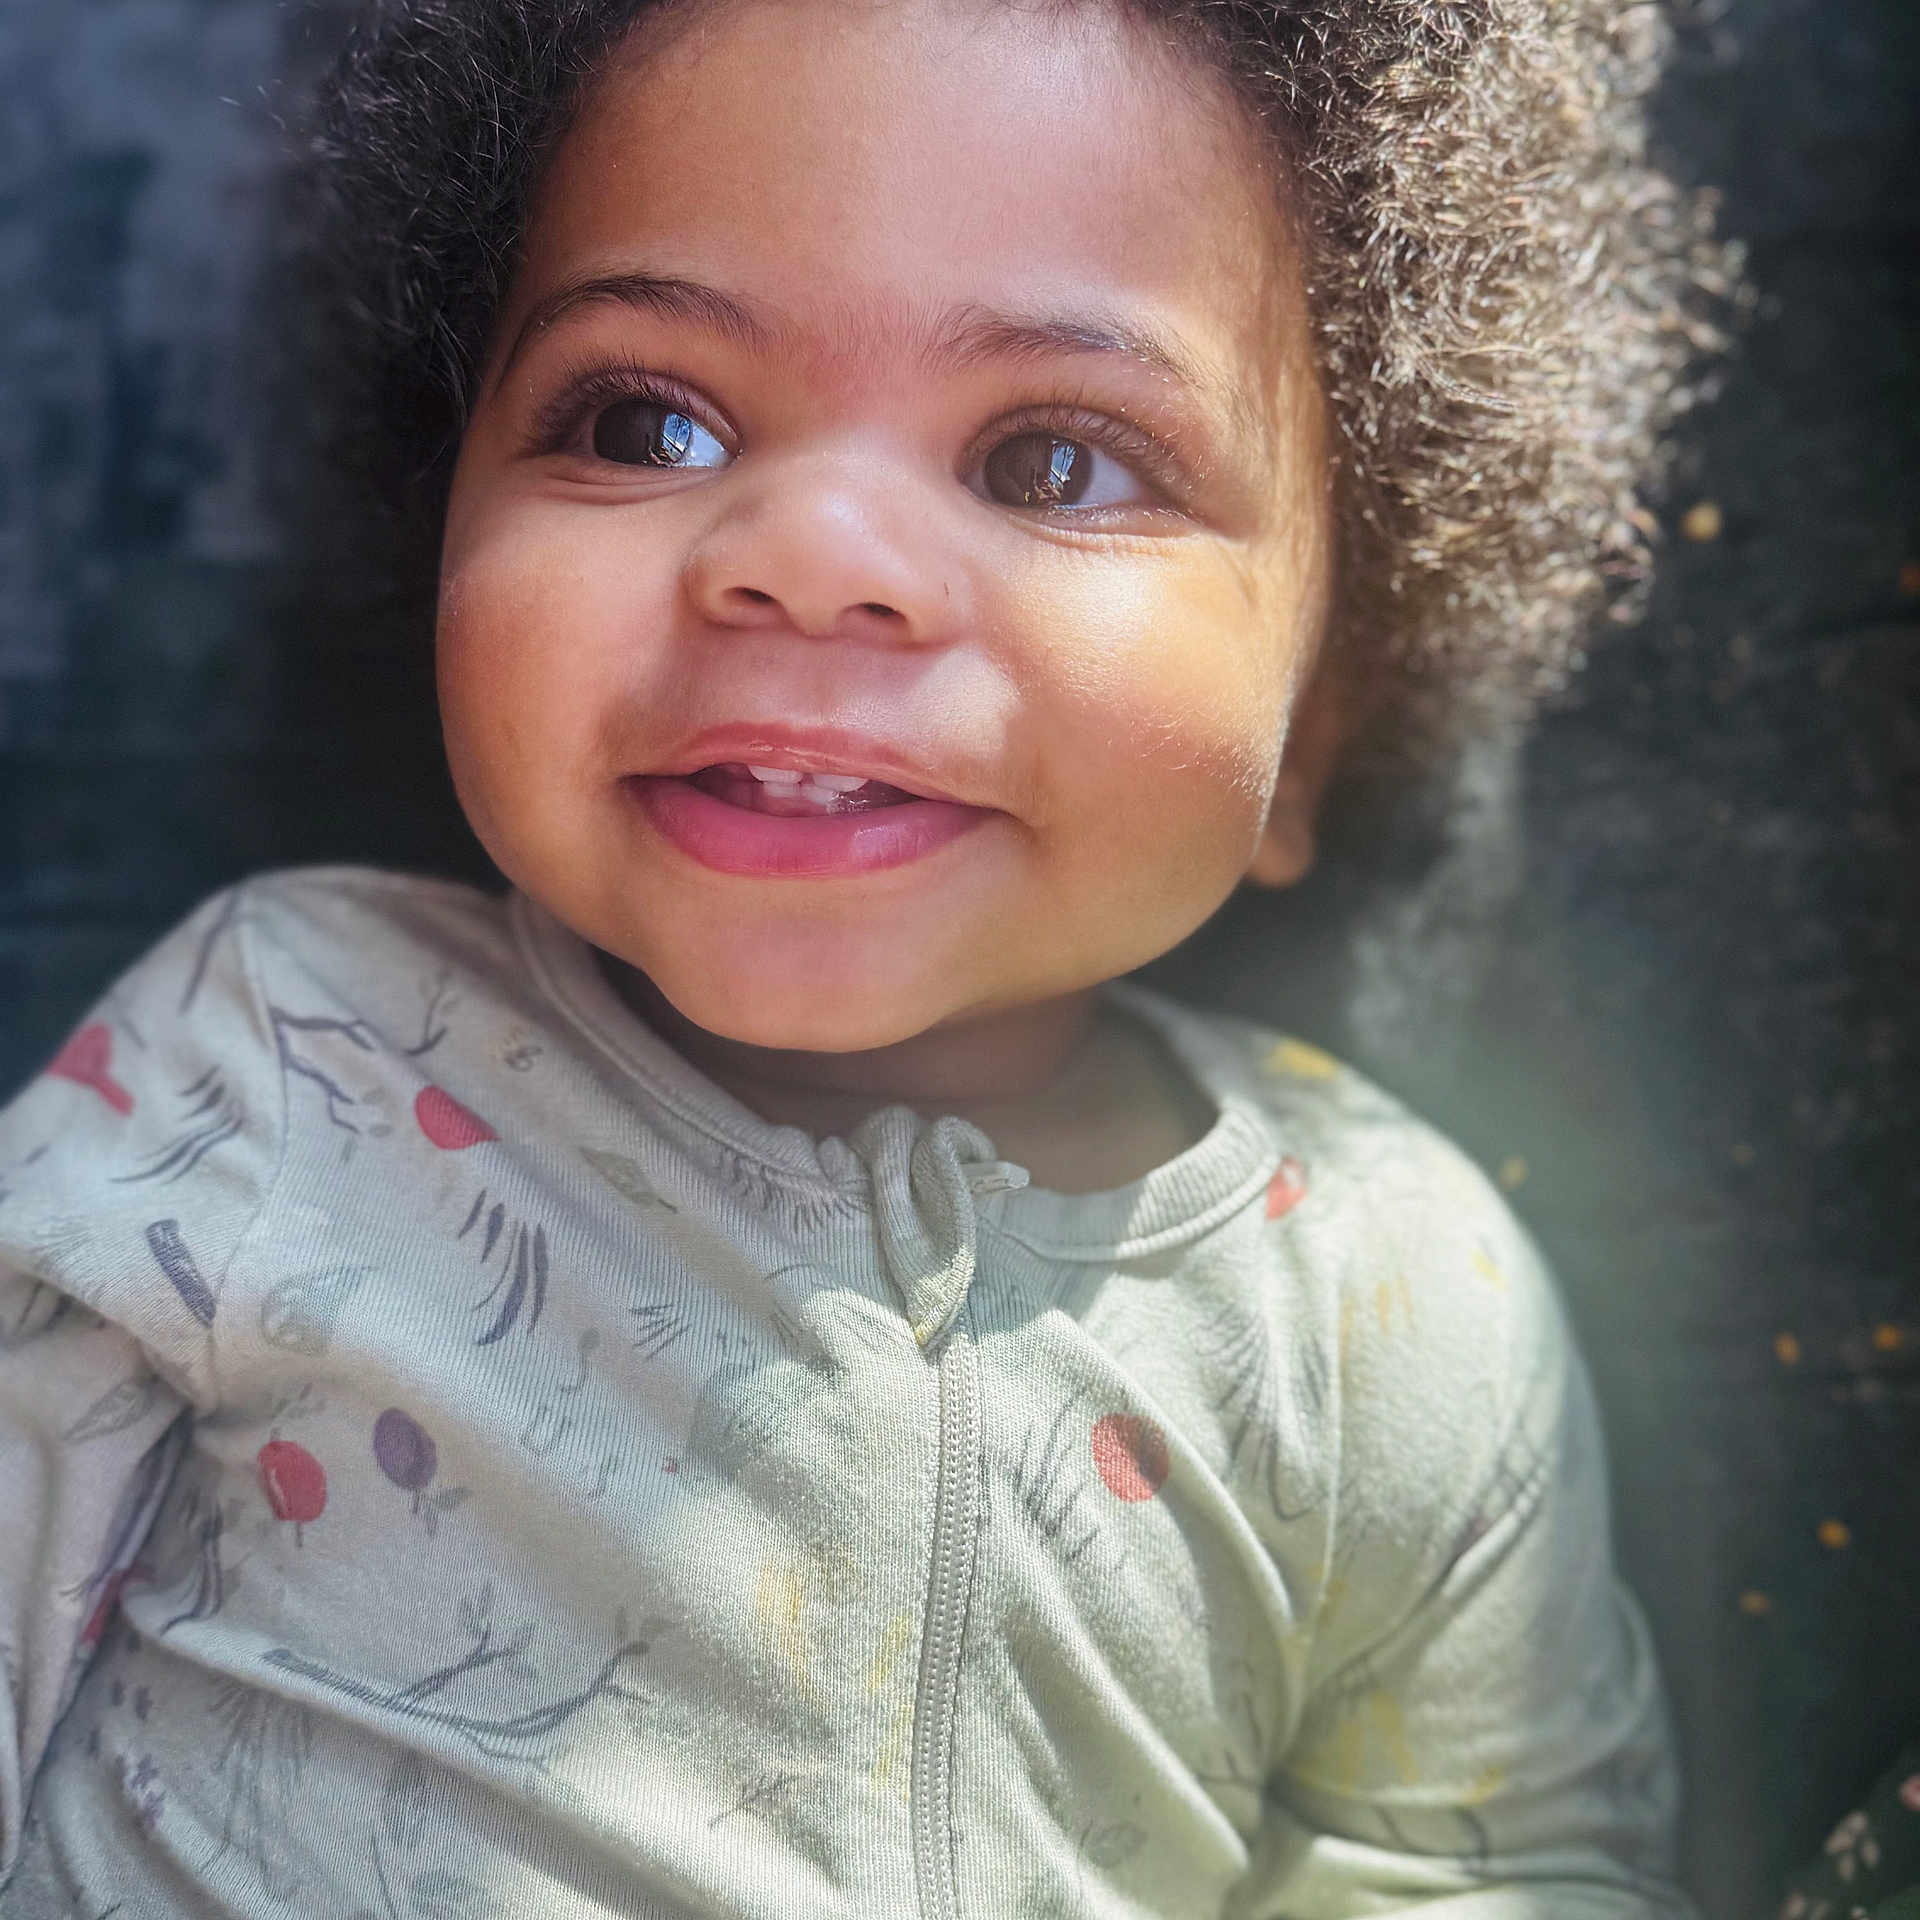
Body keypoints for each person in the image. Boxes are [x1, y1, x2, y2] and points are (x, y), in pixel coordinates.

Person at [0, 0, 1734, 1911]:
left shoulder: (1387, 1308)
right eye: (642, 420)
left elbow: (1502, 1865)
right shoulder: (278, 1056)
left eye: (1057, 463)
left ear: (1314, 726)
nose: (811, 552)